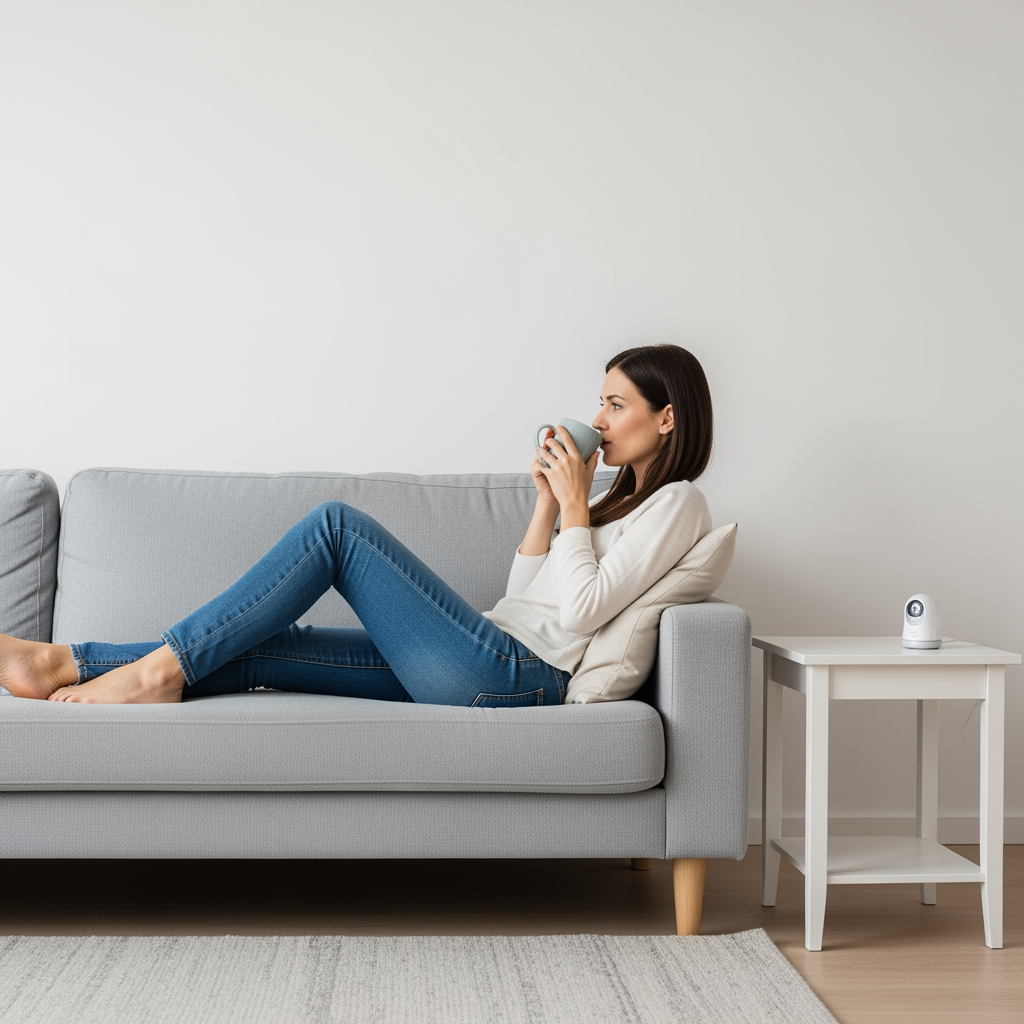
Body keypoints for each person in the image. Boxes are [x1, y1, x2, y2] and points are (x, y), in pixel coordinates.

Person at [0, 344, 714, 708]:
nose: (597, 420)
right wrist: (549, 506)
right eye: (600, 402)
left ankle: (155, 673)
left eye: (617, 405)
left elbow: (586, 612)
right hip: (491, 646)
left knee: (336, 528)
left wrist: (579, 507)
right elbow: (526, 596)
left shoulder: (678, 504)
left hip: (519, 677)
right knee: (271, 647)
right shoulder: (607, 502)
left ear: (667, 417)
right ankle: (60, 663)